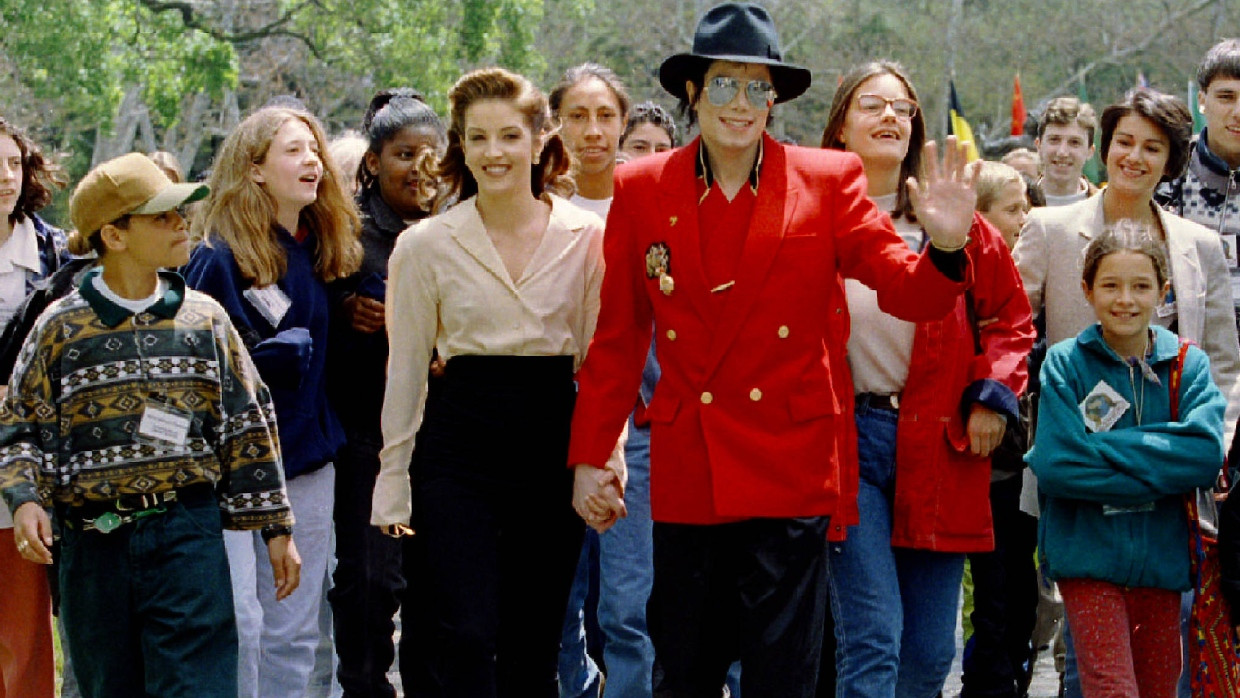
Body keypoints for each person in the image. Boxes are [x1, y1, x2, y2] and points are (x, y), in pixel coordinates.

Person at [566, 4, 983, 696]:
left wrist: (943, 248)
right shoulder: (641, 187)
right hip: (689, 461)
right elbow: (617, 338)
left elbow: (907, 293)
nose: (741, 103)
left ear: (775, 98)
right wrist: (590, 456)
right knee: (686, 667)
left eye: (758, 87)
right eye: (724, 84)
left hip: (790, 459)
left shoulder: (827, 179)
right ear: (693, 92)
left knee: (784, 675)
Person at [0, 152, 299, 698]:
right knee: (107, 685)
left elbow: (248, 422)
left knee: (198, 686)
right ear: (114, 235)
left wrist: (276, 527)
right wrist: (26, 499)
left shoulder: (205, 318)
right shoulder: (60, 326)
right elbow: (19, 423)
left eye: (180, 214)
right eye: (161, 217)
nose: (181, 225)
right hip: (93, 544)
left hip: (187, 532)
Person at [370, 66, 615, 697]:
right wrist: (392, 479)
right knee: (465, 633)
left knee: (535, 641)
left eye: (509, 136)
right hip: (458, 452)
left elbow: (601, 364)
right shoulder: (424, 246)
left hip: (551, 445)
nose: (493, 152)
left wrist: (603, 462)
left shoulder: (588, 238)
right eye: (477, 138)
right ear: (460, 146)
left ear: (538, 141)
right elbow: (405, 372)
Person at [819, 61, 1034, 698]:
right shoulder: (810, 213)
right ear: (839, 127)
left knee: (931, 650)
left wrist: (994, 395)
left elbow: (1011, 320)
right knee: (873, 638)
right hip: (841, 443)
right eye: (872, 104)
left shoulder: (958, 219)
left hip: (940, 443)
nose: (890, 116)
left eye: (903, 108)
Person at [184, 106, 362, 698]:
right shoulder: (216, 257)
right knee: (244, 623)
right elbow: (190, 376)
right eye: (293, 150)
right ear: (254, 169)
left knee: (295, 630)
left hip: (307, 464)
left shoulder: (322, 249)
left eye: (314, 149)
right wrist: (259, 364)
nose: (312, 160)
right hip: (231, 475)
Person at [1029, 221, 1225, 696]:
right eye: (1110, 285)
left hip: (1163, 559)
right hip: (1087, 556)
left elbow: (1203, 455)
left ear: (1164, 292)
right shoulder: (1064, 362)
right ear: (1087, 290)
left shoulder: (1187, 363)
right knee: (1111, 687)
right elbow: (1056, 465)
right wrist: (1162, 465)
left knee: (1157, 689)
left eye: (1141, 286)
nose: (1126, 300)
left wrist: (1100, 450)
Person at [547, 62, 662, 698]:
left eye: (606, 117)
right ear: (554, 125)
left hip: (635, 425)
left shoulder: (650, 202)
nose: (592, 132)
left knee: (627, 605)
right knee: (557, 604)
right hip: (548, 420)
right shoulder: (534, 209)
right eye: (577, 117)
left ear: (623, 124)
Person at [326, 88, 445, 698]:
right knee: (370, 584)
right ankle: (365, 686)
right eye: (403, 153)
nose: (419, 168)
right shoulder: (346, 236)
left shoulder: (457, 231)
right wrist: (347, 314)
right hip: (366, 437)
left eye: (431, 153)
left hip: (442, 438)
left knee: (434, 584)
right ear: (372, 162)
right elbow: (312, 327)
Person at [960, 160, 1041, 698]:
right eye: (1013, 209)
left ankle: (1011, 673)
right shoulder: (957, 271)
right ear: (978, 216)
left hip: (1016, 465)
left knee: (1018, 591)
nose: (1025, 219)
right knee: (989, 595)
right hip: (973, 464)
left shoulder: (1024, 271)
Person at [0, 116, 68, 698]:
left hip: (26, 459)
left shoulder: (54, 253)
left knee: (23, 625)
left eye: (13, 164)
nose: (5, 177)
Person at [1035, 97, 1098, 206]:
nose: (1062, 152)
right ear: (1039, 146)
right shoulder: (1015, 206)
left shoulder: (1105, 210)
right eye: (1054, 140)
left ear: (1090, 151)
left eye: (1074, 142)